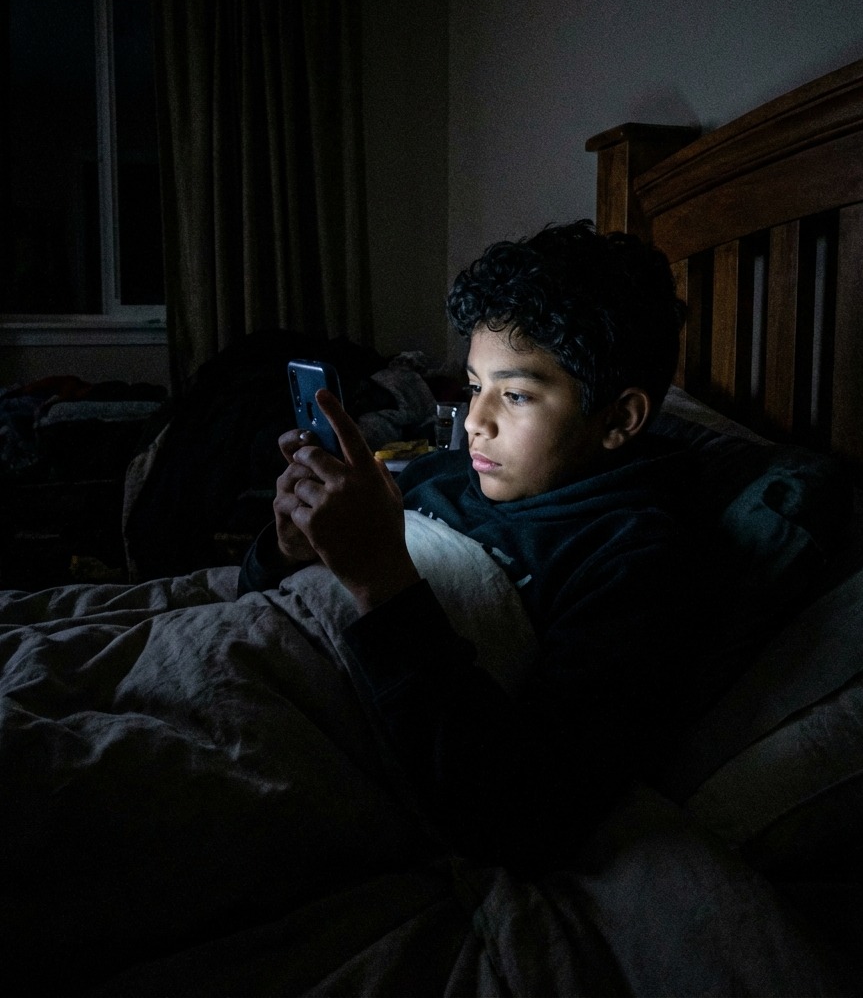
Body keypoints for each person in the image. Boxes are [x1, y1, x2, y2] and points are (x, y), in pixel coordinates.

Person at [239, 220, 697, 870]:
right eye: (476, 386)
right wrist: (285, 548)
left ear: (619, 418)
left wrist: (381, 579)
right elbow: (258, 610)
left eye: (514, 395)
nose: (475, 422)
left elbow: (519, 813)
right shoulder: (440, 474)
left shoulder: (630, 557)